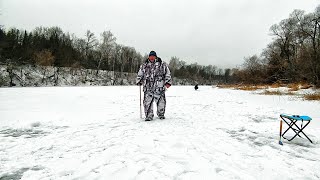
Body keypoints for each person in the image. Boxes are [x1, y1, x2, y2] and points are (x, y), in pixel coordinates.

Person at [136, 51, 172, 121]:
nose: (152, 57)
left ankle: (161, 114)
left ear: (155, 56)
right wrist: (139, 81)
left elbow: (167, 74)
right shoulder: (144, 65)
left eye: (153, 56)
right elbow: (140, 74)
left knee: (161, 102)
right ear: (149, 57)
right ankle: (149, 115)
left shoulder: (162, 65)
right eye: (150, 56)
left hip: (159, 87)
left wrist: (168, 82)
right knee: (147, 102)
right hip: (148, 87)